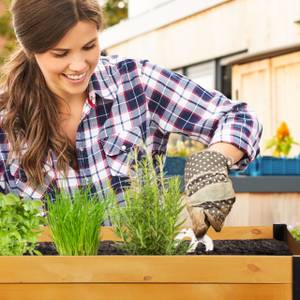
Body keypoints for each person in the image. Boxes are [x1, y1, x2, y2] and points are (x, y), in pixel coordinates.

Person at [0, 0, 262, 236]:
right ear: (30, 48)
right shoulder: (5, 116)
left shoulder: (135, 83)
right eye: (61, 54)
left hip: (143, 272)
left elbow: (237, 117)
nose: (79, 65)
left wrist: (213, 159)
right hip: (47, 282)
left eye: (89, 46)